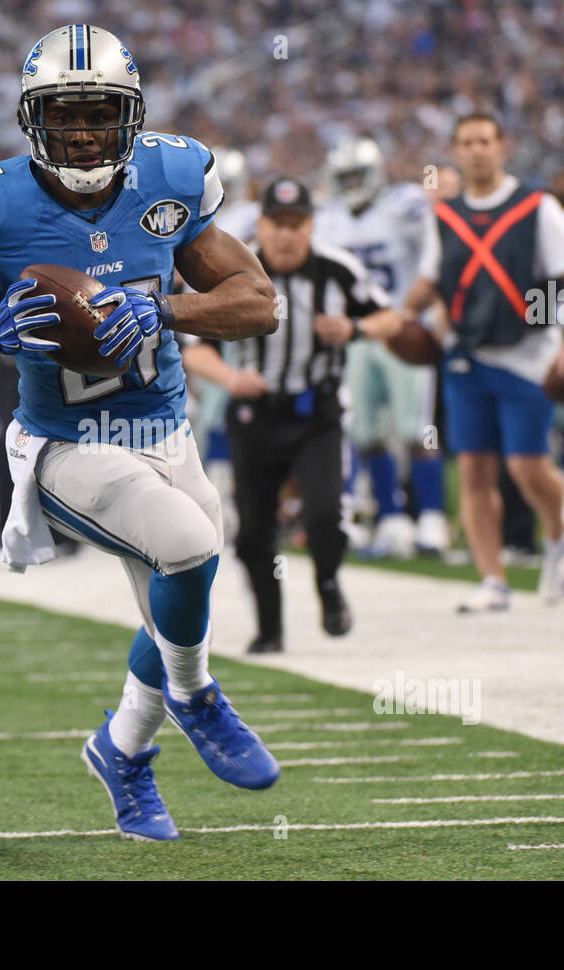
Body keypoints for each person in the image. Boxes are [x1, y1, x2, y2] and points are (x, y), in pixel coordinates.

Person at [0, 25, 282, 841]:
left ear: (130, 118)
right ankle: (198, 697)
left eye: (100, 114)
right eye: (65, 115)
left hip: (168, 430)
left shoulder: (172, 179)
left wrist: (167, 308)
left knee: (179, 598)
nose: (82, 132)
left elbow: (259, 302)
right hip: (67, 444)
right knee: (188, 547)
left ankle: (121, 753)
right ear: (33, 120)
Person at [182, 176, 401, 653]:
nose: (285, 234)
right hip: (254, 413)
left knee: (325, 513)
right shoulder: (232, 272)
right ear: (259, 224)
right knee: (255, 530)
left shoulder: (338, 269)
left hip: (316, 411)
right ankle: (270, 627)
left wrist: (354, 328)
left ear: (310, 225)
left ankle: (328, 584)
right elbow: (194, 350)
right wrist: (231, 379)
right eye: (276, 224)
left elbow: (391, 317)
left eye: (295, 224)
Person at [398, 113, 564, 613]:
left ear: (502, 146)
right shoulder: (443, 216)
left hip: (529, 353)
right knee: (474, 471)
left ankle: (559, 534)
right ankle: (493, 579)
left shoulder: (536, 206)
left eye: (485, 141)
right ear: (455, 151)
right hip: (466, 353)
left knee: (527, 466)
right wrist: (397, 318)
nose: (477, 150)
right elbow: (427, 281)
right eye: (467, 143)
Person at [317, 136, 448, 558]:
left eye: (359, 175)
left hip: (401, 328)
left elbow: (433, 256)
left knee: (418, 428)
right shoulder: (329, 219)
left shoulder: (405, 206)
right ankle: (391, 517)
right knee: (366, 430)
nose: (353, 183)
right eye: (346, 176)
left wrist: (421, 310)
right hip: (356, 336)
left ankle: (432, 517)